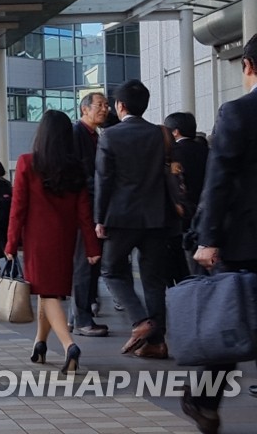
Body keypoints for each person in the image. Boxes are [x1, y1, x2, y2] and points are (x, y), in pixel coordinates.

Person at [182, 34, 257, 433]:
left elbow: (220, 179)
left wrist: (207, 239)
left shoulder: (238, 112)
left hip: (243, 240)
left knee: (228, 320)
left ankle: (204, 401)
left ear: (248, 66)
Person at [6, 110, 101, 375]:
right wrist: (92, 246)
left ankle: (70, 346)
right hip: (65, 240)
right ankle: (40, 343)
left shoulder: (27, 163)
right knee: (48, 292)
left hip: (37, 241)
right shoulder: (75, 169)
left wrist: (11, 243)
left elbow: (18, 208)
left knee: (47, 295)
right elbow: (84, 213)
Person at [95, 79, 173, 359]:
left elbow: (104, 180)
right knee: (154, 281)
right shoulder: (160, 134)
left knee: (111, 271)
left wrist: (99, 217)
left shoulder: (110, 136)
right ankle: (157, 343)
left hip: (121, 217)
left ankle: (140, 321)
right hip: (156, 216)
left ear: (120, 105)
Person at [69, 92, 109, 337]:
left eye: (106, 105)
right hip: (85, 207)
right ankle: (82, 319)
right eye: (99, 105)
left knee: (92, 263)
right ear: (84, 109)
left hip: (95, 206)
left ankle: (78, 317)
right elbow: (81, 173)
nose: (105, 109)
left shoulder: (97, 135)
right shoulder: (78, 134)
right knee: (85, 263)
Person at [164, 111, 209, 277]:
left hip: (183, 215)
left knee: (184, 262)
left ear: (175, 132)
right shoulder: (207, 151)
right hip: (206, 213)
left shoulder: (173, 155)